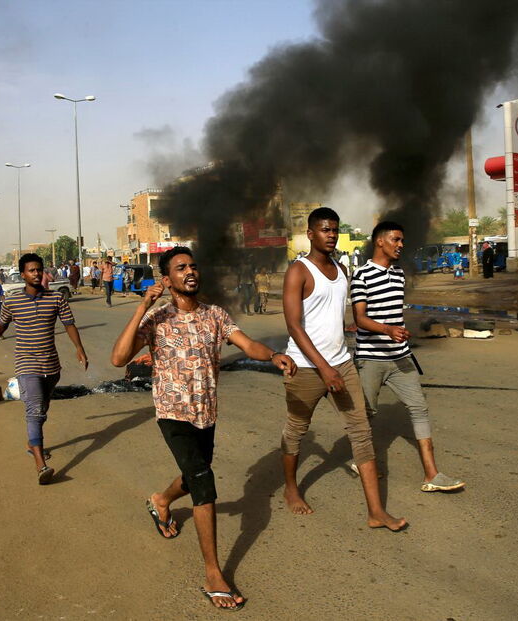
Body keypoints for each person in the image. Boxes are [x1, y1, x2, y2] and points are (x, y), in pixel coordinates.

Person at [110, 246, 294, 611]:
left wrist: (272, 355)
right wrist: (142, 306)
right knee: (203, 483)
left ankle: (160, 501)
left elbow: (248, 344)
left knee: (193, 474)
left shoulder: (216, 316)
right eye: (180, 268)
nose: (190, 271)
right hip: (172, 413)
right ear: (167, 279)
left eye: (193, 265)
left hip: (205, 413)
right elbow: (118, 358)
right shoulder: (157, 319)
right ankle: (213, 574)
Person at [281, 207, 406, 531]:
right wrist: (323, 369)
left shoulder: (340, 269)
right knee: (297, 430)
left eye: (334, 229)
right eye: (325, 229)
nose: (331, 235)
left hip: (341, 363)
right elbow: (294, 326)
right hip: (307, 367)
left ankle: (376, 511)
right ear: (310, 234)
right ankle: (291, 488)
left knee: (362, 432)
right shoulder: (299, 270)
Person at [351, 221, 465, 492]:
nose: (401, 245)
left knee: (419, 409)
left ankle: (432, 474)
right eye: (396, 239)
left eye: (402, 240)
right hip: (371, 358)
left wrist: (399, 331)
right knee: (367, 413)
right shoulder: (362, 276)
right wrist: (388, 329)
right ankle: (362, 460)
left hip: (401, 357)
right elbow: (359, 318)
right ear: (380, 241)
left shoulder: (399, 274)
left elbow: (394, 313)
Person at [0, 253, 89, 485]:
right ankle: (41, 464)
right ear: (23, 274)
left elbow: (69, 324)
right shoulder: (11, 301)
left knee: (42, 408)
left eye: (39, 270)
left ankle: (33, 442)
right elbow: (1, 325)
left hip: (51, 365)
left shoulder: (55, 298)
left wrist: (79, 348)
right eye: (32, 270)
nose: (37, 273)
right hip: (26, 362)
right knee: (34, 410)